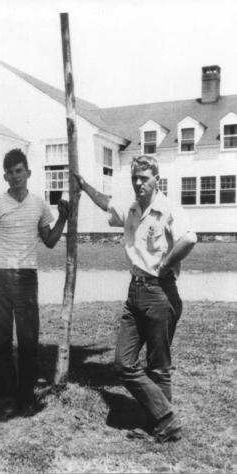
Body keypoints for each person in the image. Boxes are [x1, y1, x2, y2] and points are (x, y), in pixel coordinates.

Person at [75, 155, 197, 442]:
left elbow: (189, 239)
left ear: (157, 178)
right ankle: (166, 417)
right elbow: (106, 202)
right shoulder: (131, 209)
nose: (139, 183)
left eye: (144, 177)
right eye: (135, 178)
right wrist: (83, 185)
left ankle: (161, 426)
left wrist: (164, 265)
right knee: (123, 363)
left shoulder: (167, 208)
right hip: (135, 292)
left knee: (158, 366)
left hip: (160, 293)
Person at [0, 148, 68, 413]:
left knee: (29, 341)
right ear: (5, 177)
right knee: (1, 341)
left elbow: (51, 241)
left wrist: (63, 216)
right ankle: (8, 394)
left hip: (27, 277)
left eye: (19, 170)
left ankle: (26, 395)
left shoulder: (39, 205)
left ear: (28, 172)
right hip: (0, 275)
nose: (15, 176)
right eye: (9, 172)